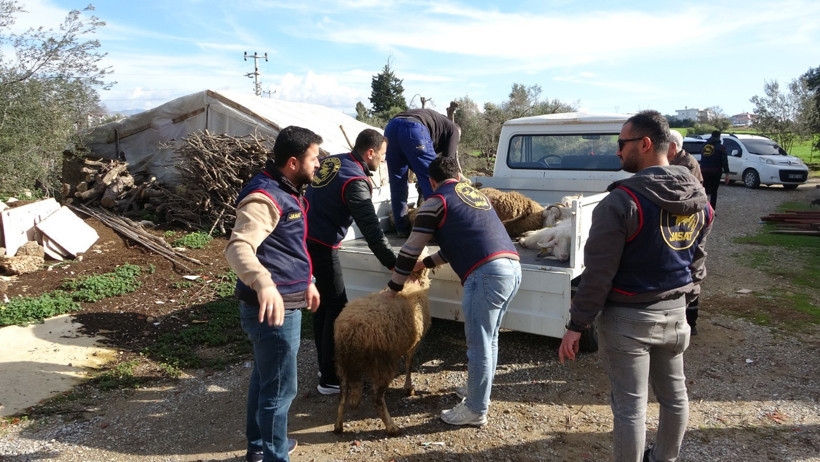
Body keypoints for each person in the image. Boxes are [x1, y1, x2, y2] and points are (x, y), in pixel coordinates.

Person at [559, 111, 713, 462]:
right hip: (675, 316)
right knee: (675, 397)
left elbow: (598, 273)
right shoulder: (698, 197)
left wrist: (576, 325)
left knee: (630, 407)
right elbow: (698, 258)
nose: (617, 152)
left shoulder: (621, 201)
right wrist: (687, 300)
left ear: (644, 144)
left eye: (621, 144)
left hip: (629, 320)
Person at [385, 156, 521, 427]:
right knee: (490, 339)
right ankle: (477, 392)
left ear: (432, 181)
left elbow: (410, 248)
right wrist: (426, 263)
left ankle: (475, 409)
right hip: (513, 268)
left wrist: (393, 287)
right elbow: (460, 242)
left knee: (479, 344)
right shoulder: (475, 196)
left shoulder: (436, 201)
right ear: (458, 177)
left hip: (486, 275)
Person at [225, 125, 322, 462]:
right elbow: (238, 247)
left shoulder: (288, 189)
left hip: (286, 300)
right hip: (272, 309)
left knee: (267, 379)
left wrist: (306, 280)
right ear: (293, 162)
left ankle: (259, 448)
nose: (319, 164)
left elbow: (287, 246)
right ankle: (274, 455)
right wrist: (264, 282)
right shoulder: (264, 196)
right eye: (314, 158)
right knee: (280, 388)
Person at [305, 128, 398, 394]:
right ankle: (332, 379)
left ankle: (325, 367)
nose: (382, 161)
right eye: (381, 156)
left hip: (305, 238)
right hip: (323, 245)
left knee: (322, 307)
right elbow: (371, 230)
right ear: (369, 153)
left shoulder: (332, 161)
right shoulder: (355, 181)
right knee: (338, 310)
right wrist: (393, 263)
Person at [384, 108, 461, 236]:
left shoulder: (436, 123)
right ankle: (438, 230)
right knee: (434, 180)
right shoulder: (453, 130)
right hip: (413, 129)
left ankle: (401, 228)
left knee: (397, 181)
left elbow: (415, 160)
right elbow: (447, 165)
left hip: (391, 127)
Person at [668, 130, 704, 334]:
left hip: (688, 220)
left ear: (672, 147)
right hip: (684, 218)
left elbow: (677, 194)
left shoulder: (685, 165)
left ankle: (691, 321)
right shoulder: (681, 161)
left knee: (691, 267)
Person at [699, 130, 729, 210]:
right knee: (714, 192)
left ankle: (703, 209)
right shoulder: (721, 147)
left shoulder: (704, 145)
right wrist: (727, 173)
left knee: (704, 190)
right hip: (715, 172)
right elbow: (724, 161)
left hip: (704, 171)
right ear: (719, 136)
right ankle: (712, 210)